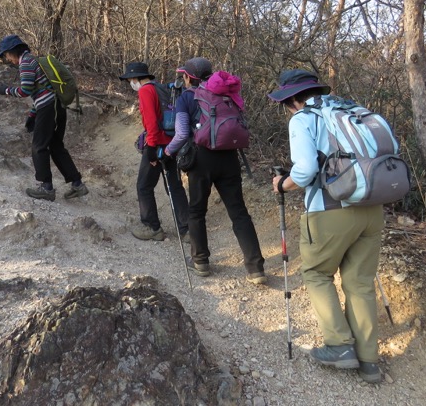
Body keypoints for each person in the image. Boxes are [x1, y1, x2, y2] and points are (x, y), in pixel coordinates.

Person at [268, 69, 383, 384]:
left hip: (330, 210)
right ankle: (369, 360)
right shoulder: (353, 112)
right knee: (360, 283)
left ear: (291, 98)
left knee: (316, 273)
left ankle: (339, 346)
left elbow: (304, 171)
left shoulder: (304, 119)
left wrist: (282, 184)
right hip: (372, 207)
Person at [164, 57, 266, 283]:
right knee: (239, 212)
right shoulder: (227, 94)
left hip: (201, 159)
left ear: (188, 77)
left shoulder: (186, 98)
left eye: (184, 75)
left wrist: (168, 153)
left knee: (196, 211)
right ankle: (255, 267)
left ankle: (200, 261)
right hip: (229, 157)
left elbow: (181, 134)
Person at [0, 34, 87, 201]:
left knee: (39, 147)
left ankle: (46, 188)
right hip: (57, 106)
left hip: (48, 108)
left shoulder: (26, 63)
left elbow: (25, 90)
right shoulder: (33, 60)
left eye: (6, 55)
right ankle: (77, 184)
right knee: (56, 146)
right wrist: (32, 114)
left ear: (13, 51)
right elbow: (41, 89)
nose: (7, 59)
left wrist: (6, 90)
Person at [119, 62, 189, 243]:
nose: (130, 83)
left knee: (144, 186)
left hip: (157, 145)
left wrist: (150, 150)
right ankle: (187, 229)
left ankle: (153, 227)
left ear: (135, 78)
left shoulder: (145, 91)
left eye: (130, 80)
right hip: (172, 144)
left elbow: (151, 122)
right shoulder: (160, 87)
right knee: (174, 186)